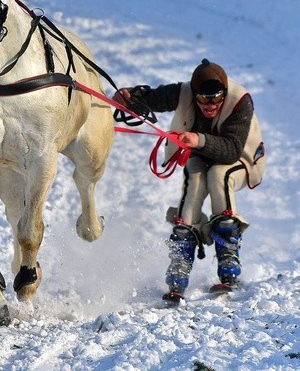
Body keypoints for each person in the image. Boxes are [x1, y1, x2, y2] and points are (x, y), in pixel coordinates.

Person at [113, 58, 266, 304]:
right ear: (194, 94)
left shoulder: (240, 101)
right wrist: (131, 97)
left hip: (239, 158)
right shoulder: (184, 92)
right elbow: (157, 97)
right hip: (199, 154)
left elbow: (231, 150)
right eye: (203, 99)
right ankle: (178, 272)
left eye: (216, 98)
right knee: (194, 182)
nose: (210, 105)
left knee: (218, 176)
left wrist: (198, 139)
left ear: (224, 93)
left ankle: (228, 263)